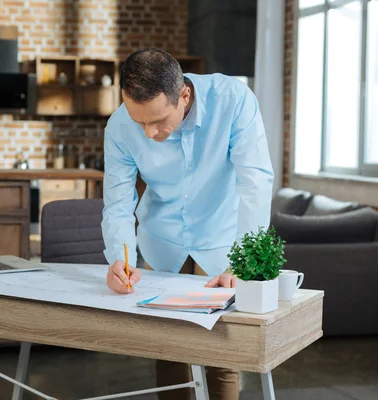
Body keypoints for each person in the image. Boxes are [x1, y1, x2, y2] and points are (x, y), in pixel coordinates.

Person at [101, 48, 274, 400]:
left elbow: (255, 184)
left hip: (222, 243)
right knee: (169, 350)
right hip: (161, 241)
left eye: (158, 120)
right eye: (140, 121)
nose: (148, 133)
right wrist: (121, 259)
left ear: (184, 95)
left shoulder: (233, 101)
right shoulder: (119, 126)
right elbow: (118, 201)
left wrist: (243, 263)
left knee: (222, 354)